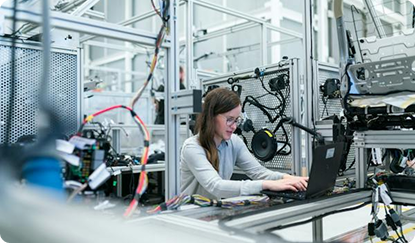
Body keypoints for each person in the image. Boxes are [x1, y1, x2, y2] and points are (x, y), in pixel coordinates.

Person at [180, 87, 308, 199]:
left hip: (213, 211)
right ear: (211, 116)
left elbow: (259, 173)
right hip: (191, 215)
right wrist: (267, 184)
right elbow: (216, 186)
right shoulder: (192, 147)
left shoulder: (234, 142)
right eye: (229, 120)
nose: (234, 126)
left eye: (237, 120)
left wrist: (290, 179)